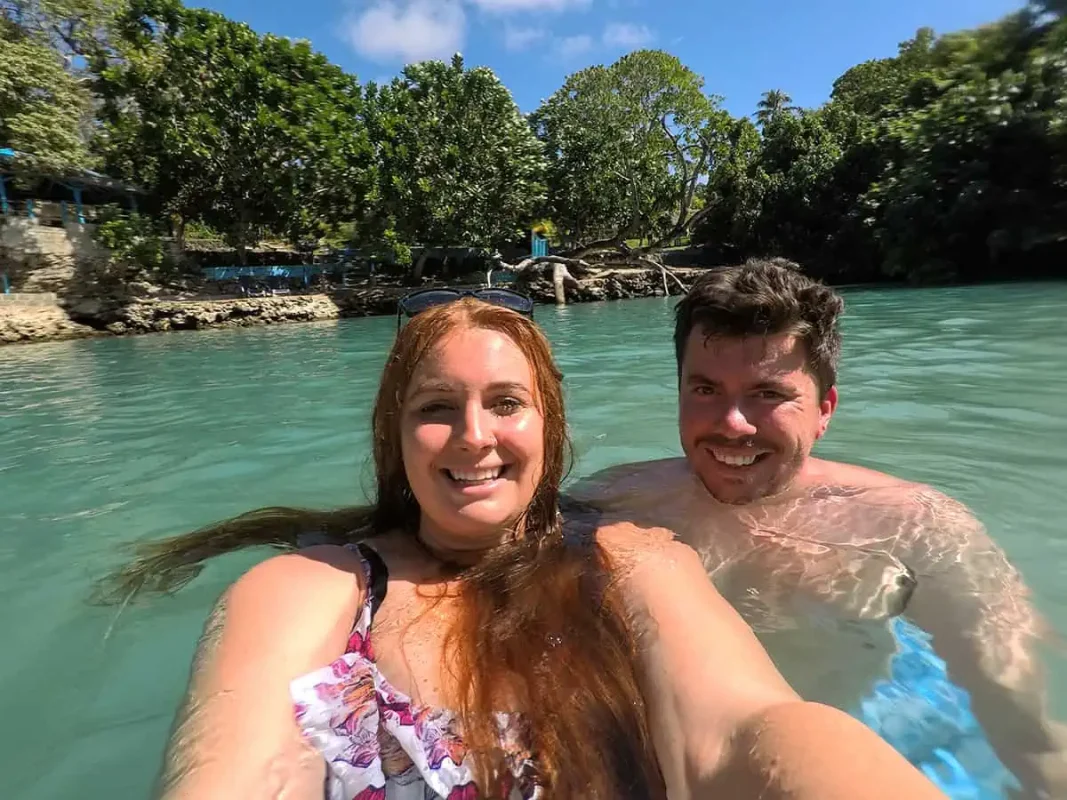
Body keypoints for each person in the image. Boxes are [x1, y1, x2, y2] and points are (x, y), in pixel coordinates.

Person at [99, 289, 944, 799]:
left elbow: (739, 731)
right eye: (436, 408)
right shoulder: (307, 588)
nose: (474, 437)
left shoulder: (631, 558)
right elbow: (235, 772)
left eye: (506, 403)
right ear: (394, 435)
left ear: (548, 424)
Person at [568, 260, 1067, 799]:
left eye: (768, 394)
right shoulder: (616, 497)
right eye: (706, 389)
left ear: (824, 409)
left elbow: (1024, 728)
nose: (732, 423)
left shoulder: (913, 526)